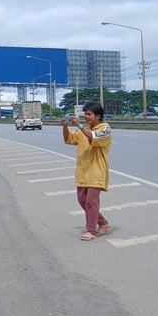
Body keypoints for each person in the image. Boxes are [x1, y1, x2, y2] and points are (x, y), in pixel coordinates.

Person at [60, 102, 112, 241]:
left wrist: (80, 125)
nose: (87, 117)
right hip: (83, 171)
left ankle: (91, 231)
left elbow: (93, 137)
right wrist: (65, 127)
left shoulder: (104, 128)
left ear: (98, 116)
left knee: (91, 202)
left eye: (89, 114)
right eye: (86, 114)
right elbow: (69, 139)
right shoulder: (84, 130)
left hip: (96, 171)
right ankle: (103, 224)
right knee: (82, 201)